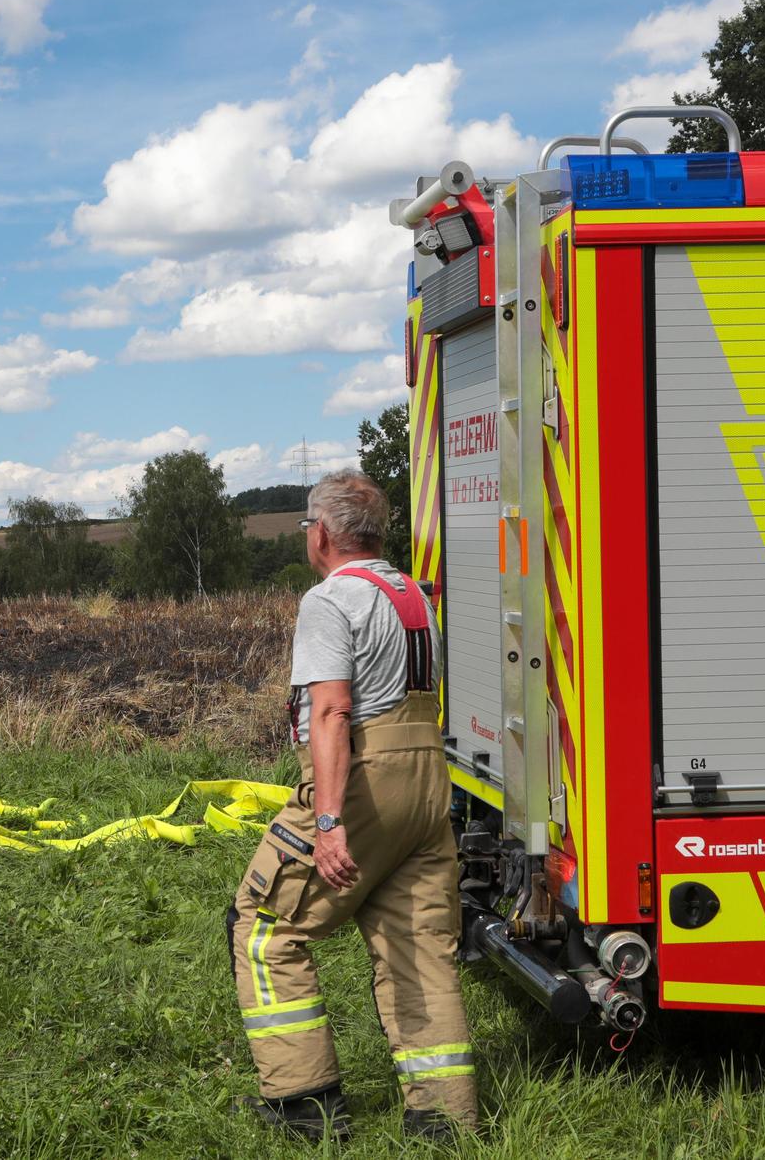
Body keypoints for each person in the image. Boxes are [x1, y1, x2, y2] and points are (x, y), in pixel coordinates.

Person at [227, 469, 475, 1142]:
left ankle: (304, 1105)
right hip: (429, 782)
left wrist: (330, 823)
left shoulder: (329, 600)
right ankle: (445, 1118)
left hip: (365, 781)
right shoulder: (412, 595)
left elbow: (333, 709)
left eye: (309, 526)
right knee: (418, 946)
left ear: (325, 534)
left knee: (264, 925)